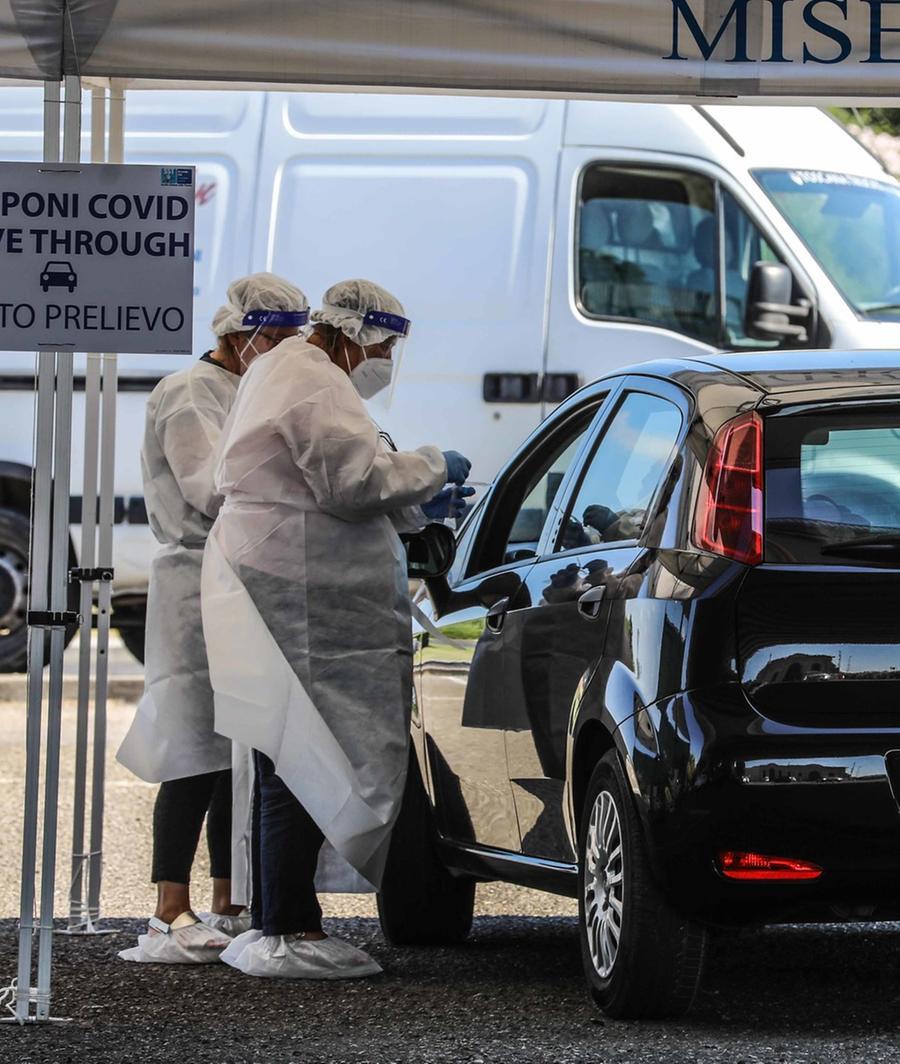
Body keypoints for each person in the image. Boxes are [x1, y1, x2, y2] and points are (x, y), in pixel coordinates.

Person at [201, 278, 472, 979]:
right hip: (303, 592)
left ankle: (279, 918)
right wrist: (435, 465)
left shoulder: (287, 370)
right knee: (302, 753)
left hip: (279, 577)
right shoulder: (310, 377)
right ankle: (285, 927)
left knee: (286, 752)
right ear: (354, 333)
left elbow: (335, 477)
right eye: (381, 344)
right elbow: (352, 483)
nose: (383, 358)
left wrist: (417, 497)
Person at [116, 272, 310, 964]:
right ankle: (170, 908)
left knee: (240, 744)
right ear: (240, 332)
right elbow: (208, 488)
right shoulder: (187, 393)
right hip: (196, 582)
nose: (286, 352)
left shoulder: (247, 385)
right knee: (194, 746)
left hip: (239, 577)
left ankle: (227, 899)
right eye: (278, 339)